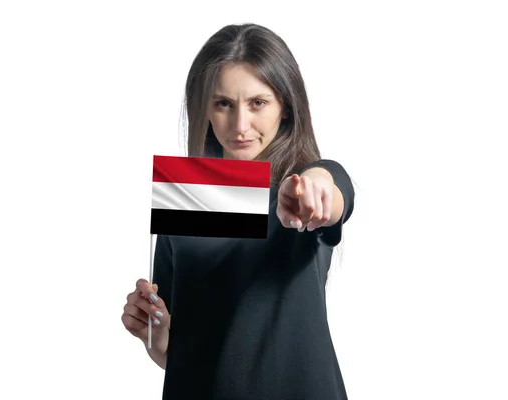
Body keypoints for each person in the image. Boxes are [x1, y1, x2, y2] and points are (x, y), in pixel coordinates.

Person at [121, 23, 355, 400]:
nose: (240, 125)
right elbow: (187, 352)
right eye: (224, 104)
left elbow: (333, 191)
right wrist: (158, 336)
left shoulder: (300, 191)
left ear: (285, 107)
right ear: (206, 109)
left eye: (257, 103)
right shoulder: (187, 199)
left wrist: (317, 188)